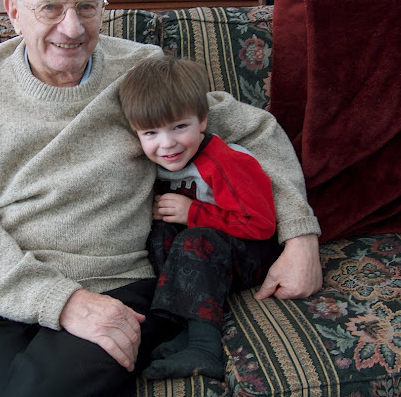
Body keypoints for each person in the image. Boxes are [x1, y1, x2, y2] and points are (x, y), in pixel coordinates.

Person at [0, 0, 322, 397]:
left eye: (87, 7)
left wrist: (301, 237)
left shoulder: (140, 74)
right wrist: (62, 301)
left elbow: (255, 129)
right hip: (4, 290)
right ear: (14, 13)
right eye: (50, 8)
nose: (71, 28)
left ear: (104, 5)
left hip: (116, 285)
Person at [119, 54, 282, 380]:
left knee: (194, 238)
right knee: (162, 232)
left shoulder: (225, 162)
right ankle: (182, 329)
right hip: (211, 252)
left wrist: (192, 212)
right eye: (150, 133)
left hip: (254, 251)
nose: (167, 144)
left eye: (180, 127)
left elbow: (261, 225)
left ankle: (205, 349)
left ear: (203, 121)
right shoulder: (158, 162)